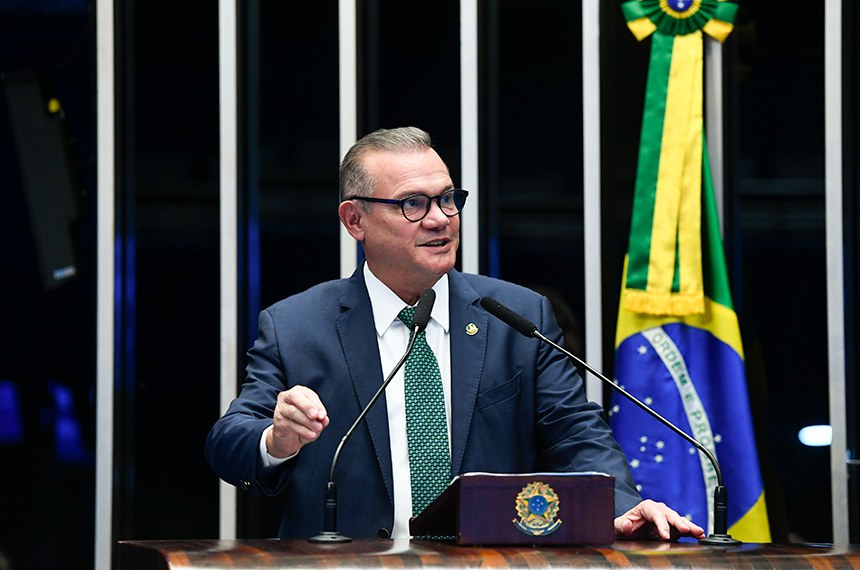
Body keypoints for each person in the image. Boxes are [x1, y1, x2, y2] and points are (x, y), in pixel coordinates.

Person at [205, 126, 705, 542]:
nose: (441, 219)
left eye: (448, 199)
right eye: (413, 204)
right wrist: (278, 438)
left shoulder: (516, 316)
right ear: (355, 219)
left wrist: (619, 504)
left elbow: (576, 431)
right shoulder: (296, 325)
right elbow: (228, 442)